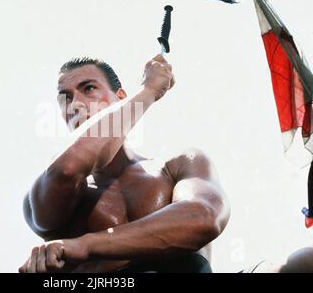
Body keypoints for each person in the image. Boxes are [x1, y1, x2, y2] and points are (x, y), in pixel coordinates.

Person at [19, 54, 230, 272]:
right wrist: (148, 92)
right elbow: (68, 168)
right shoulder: (48, 191)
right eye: (66, 98)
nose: (75, 105)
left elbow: (203, 217)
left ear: (121, 97)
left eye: (89, 89)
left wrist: (86, 244)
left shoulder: (180, 165)